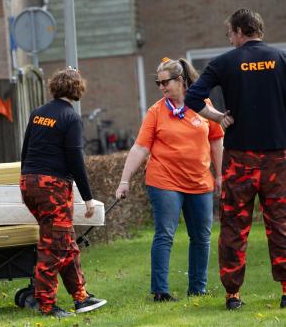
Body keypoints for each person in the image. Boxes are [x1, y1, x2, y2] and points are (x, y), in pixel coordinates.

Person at [184, 8, 286, 310]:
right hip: (278, 158)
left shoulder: (225, 62)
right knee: (281, 224)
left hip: (239, 157)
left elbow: (192, 97)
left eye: (230, 33)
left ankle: (233, 295)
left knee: (234, 226)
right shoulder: (281, 59)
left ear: (241, 31)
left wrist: (217, 117)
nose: (230, 39)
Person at [115, 58, 224, 302]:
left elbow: (216, 140)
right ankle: (160, 291)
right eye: (158, 83)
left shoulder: (203, 104)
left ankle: (198, 288)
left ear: (181, 81)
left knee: (202, 236)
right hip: (164, 181)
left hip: (200, 182)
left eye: (166, 82)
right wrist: (124, 180)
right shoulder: (156, 111)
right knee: (164, 234)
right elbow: (140, 148)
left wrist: (220, 174)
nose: (162, 87)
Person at [20, 67, 107, 318]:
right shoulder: (70, 118)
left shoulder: (38, 114)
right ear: (78, 90)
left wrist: (26, 185)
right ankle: (46, 305)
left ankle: (81, 297)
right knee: (54, 246)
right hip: (52, 188)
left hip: (30, 183)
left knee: (65, 242)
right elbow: (76, 161)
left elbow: (25, 152)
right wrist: (88, 198)